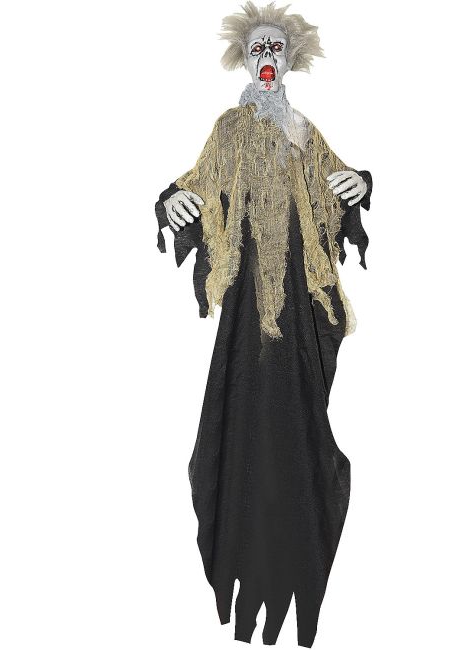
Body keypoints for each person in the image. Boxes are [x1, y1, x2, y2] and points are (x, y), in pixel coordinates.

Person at [155, 2, 372, 646]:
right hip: (252, 296)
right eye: (259, 48)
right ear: (246, 59)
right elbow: (197, 182)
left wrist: (359, 183)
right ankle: (246, 530)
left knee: (300, 407)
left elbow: (338, 180)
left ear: (291, 58)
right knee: (246, 401)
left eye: (277, 48)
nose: (268, 58)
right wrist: (173, 199)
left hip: (301, 298)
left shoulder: (305, 131)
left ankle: (294, 527)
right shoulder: (229, 129)